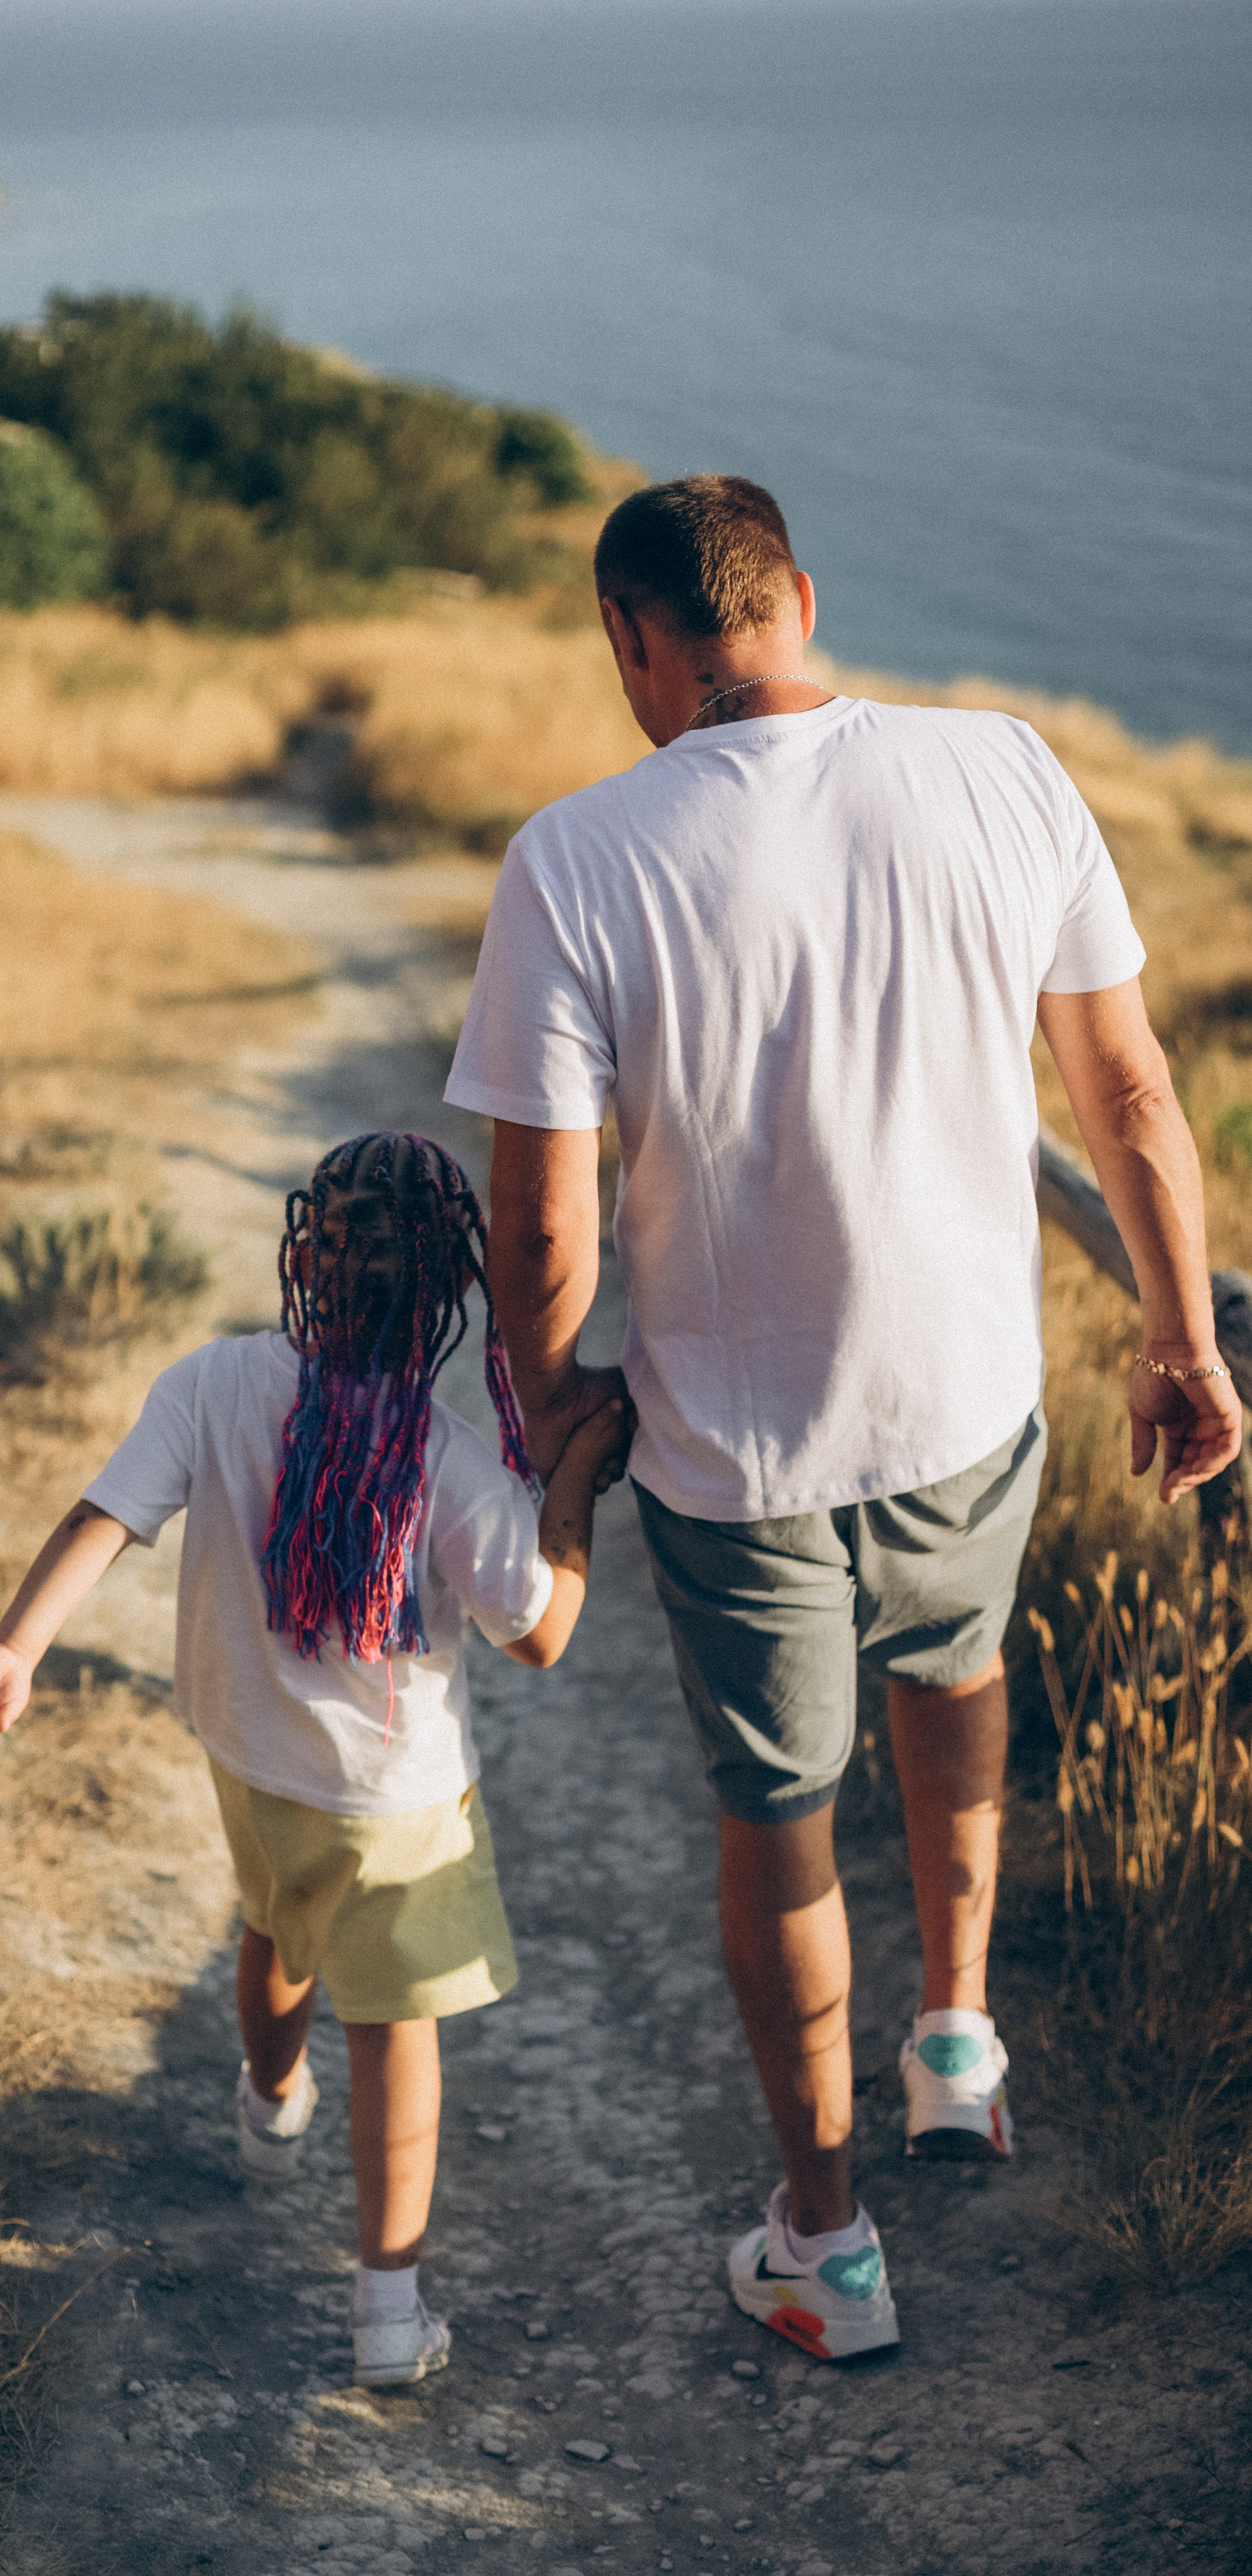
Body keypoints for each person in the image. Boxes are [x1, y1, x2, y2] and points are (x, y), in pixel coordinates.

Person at [445, 474, 1240, 2362]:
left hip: (739, 1456)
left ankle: (825, 2242)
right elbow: (1129, 1090)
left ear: (630, 641)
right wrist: (1180, 1337)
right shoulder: (1004, 768)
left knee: (781, 1814)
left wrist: (548, 1402)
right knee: (956, 1678)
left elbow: (542, 1221)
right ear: (797, 599)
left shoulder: (575, 858)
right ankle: (955, 2040)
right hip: (970, 1398)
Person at [0, 1132, 628, 2387]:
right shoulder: (448, 1459)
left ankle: (266, 2106)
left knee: (273, 1927)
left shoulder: (212, 1385)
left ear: (303, 1255)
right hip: (396, 1804)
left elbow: (104, 1518)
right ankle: (388, 2315)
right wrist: (575, 1477)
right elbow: (542, 1630)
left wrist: (15, 1650)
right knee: (395, 2033)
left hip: (248, 1761)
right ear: (450, 1296)